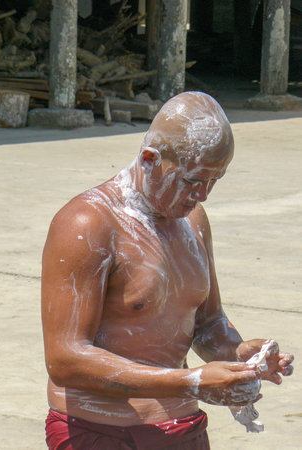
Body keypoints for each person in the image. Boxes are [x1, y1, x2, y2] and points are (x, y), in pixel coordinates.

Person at [41, 92, 294, 450]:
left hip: (180, 428)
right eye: (193, 180)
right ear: (150, 160)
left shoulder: (194, 221)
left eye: (215, 181)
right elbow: (65, 360)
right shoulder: (88, 223)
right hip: (100, 430)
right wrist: (190, 381)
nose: (203, 194)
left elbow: (207, 323)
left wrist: (239, 356)